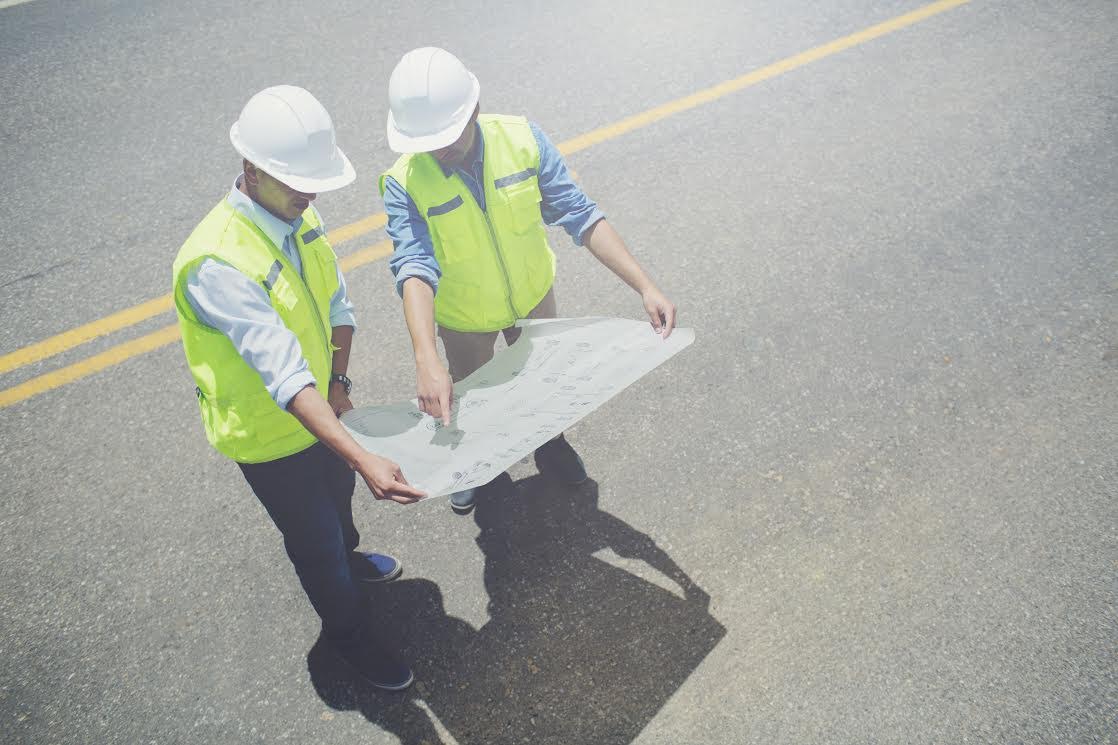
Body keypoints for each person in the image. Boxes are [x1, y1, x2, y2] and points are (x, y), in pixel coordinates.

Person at [171, 85, 423, 691]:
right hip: (268, 437)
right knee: (314, 541)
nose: (309, 196)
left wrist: (339, 382)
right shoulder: (217, 263)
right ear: (251, 169)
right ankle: (350, 636)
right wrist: (363, 456)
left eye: (313, 183)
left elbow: (336, 301)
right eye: (296, 183)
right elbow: (281, 371)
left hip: (322, 411)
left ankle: (351, 561)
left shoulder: (298, 210)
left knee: (339, 511)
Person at [380, 47, 678, 515]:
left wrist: (644, 284)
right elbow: (413, 265)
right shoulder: (404, 181)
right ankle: (480, 463)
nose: (439, 148)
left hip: (533, 299)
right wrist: (425, 356)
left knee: (544, 384)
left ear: (474, 109)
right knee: (471, 395)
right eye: (427, 139)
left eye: (448, 134)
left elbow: (579, 215)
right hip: (464, 318)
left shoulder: (522, 140)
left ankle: (551, 446)